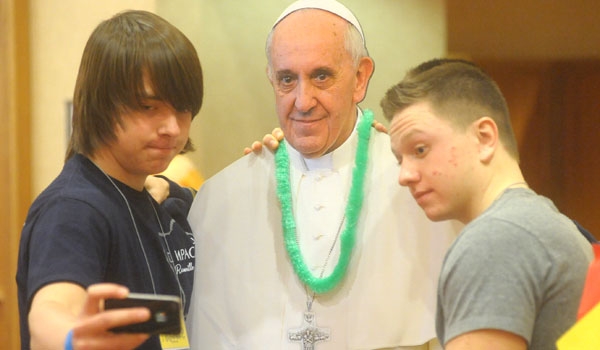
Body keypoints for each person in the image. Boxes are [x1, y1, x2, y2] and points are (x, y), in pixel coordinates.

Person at [186, 1, 458, 349]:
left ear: (360, 77)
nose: (302, 101)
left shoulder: (418, 187)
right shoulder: (221, 198)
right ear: (271, 78)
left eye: (321, 76)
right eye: (287, 79)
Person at [16, 10, 203, 350]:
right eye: (148, 107)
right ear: (103, 104)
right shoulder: (73, 209)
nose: (172, 127)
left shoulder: (155, 195)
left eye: (183, 109)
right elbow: (50, 310)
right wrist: (74, 339)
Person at [380, 58, 594, 349]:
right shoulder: (555, 227)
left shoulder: (497, 239)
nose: (405, 175)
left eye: (420, 149)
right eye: (399, 160)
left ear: (484, 137)